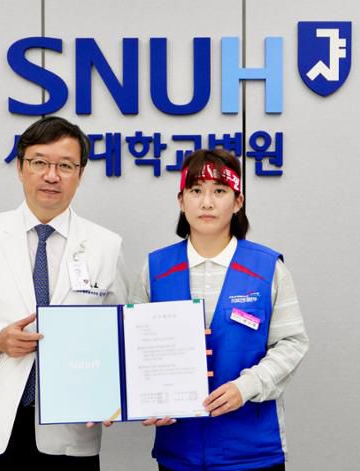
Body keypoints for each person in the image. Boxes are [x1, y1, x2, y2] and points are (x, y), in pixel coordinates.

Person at [0, 116, 127, 470]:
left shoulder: (105, 245)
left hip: (71, 423)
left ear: (80, 174)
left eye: (65, 166)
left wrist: (112, 394)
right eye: (40, 163)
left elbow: (122, 332)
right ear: (20, 168)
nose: (52, 176)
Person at [132, 149, 309, 471]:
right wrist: (146, 398)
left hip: (253, 451)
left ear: (238, 202)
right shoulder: (155, 268)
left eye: (219, 191)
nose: (207, 203)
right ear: (181, 201)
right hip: (179, 452)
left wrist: (246, 387)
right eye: (195, 191)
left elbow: (292, 343)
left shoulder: (267, 267)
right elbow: (135, 348)